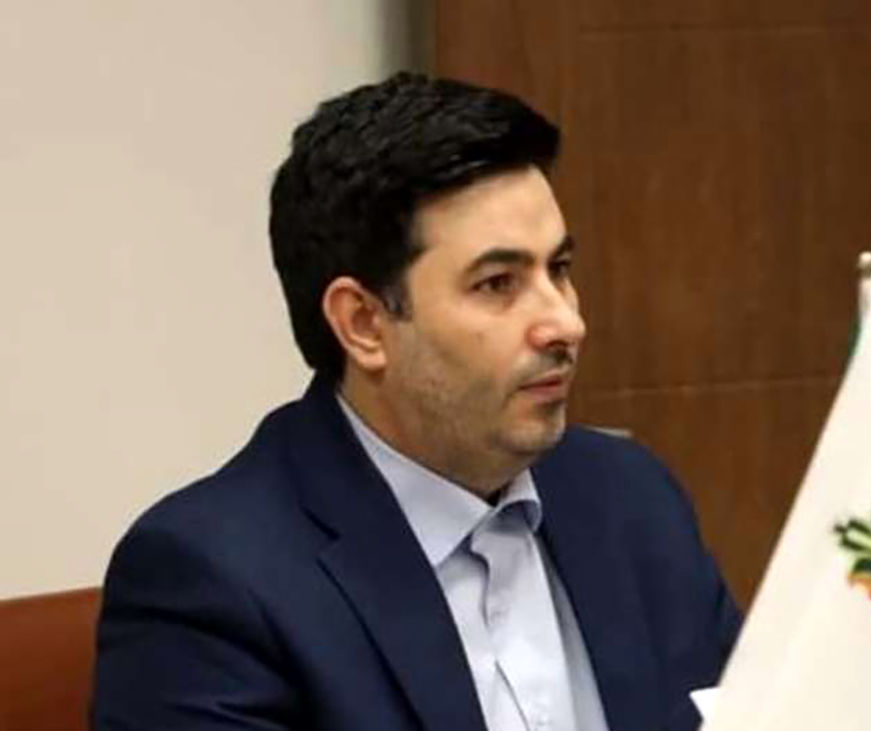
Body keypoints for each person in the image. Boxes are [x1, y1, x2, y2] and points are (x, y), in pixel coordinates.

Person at [92, 72, 742, 731]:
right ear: (364, 324)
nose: (566, 323)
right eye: (498, 283)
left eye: (559, 269)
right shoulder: (215, 580)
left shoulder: (632, 501)